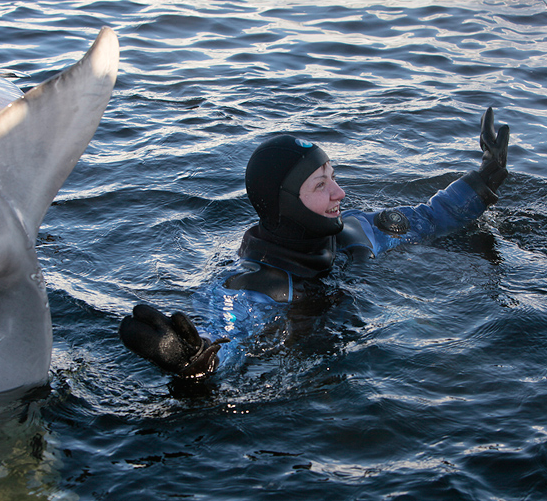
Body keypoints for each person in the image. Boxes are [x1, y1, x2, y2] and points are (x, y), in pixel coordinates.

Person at [119, 107, 510, 378]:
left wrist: (483, 181)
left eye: (333, 176)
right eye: (321, 185)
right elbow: (227, 336)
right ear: (285, 202)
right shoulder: (249, 288)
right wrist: (196, 359)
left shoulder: (358, 231)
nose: (339, 192)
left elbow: (427, 218)